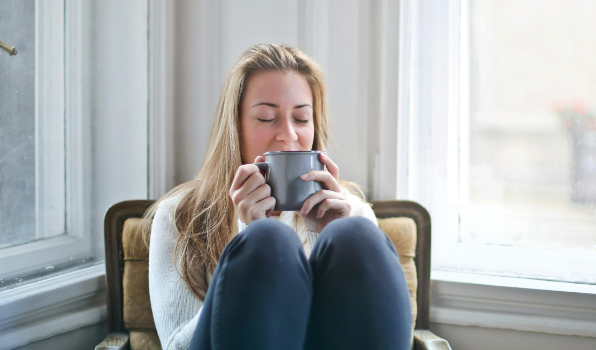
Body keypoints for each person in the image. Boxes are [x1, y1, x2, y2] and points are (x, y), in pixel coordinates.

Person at [143, 43, 412, 350]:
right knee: (268, 241)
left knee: (356, 233)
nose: (288, 134)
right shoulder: (179, 215)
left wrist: (326, 236)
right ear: (235, 127)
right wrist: (248, 234)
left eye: (301, 119)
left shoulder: (352, 212)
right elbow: (176, 346)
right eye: (267, 118)